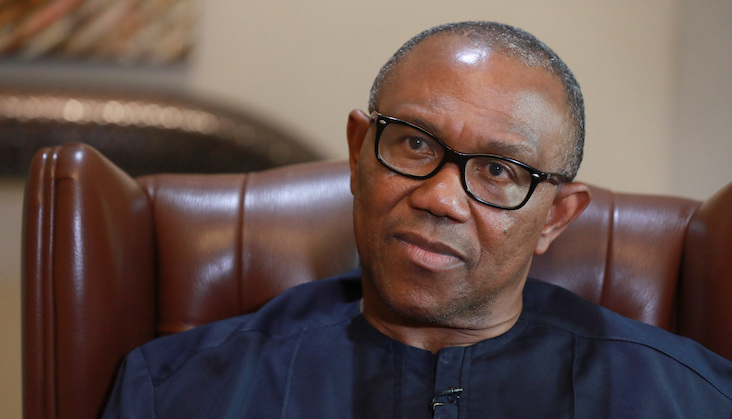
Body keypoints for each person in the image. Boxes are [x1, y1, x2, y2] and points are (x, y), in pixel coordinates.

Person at [103, 21, 732, 418]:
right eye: (415, 144)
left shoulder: (690, 397)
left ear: (555, 218)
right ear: (359, 152)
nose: (440, 198)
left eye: (498, 169)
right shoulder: (177, 391)